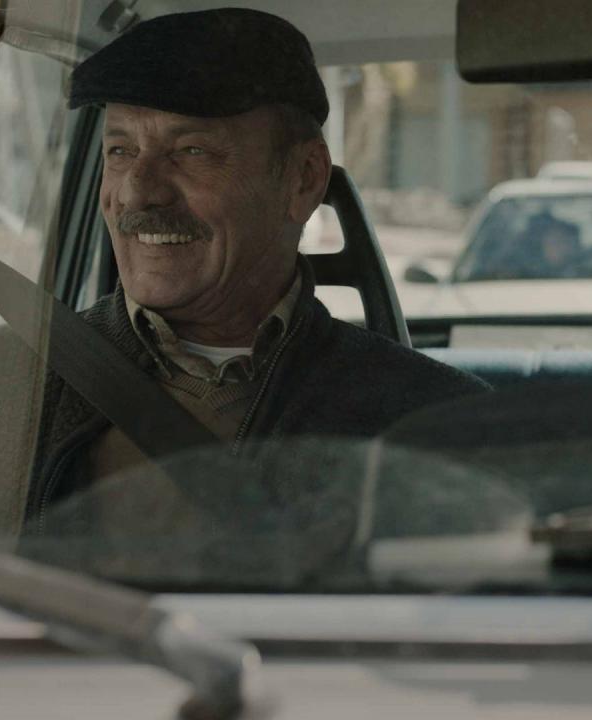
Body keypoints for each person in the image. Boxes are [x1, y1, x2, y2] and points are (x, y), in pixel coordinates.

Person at [24, 9, 489, 524]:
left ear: (304, 179)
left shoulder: (438, 425)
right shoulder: (17, 383)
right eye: (120, 150)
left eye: (191, 150)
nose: (137, 191)